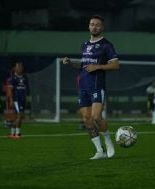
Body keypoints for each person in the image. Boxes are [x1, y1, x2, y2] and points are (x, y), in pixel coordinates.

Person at [63, 15, 120, 160]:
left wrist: (99, 66)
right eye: (92, 24)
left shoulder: (107, 45)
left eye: (97, 25)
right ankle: (99, 151)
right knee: (87, 119)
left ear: (102, 28)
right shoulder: (84, 45)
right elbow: (83, 65)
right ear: (88, 26)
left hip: (96, 86)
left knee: (96, 117)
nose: (94, 27)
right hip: (83, 87)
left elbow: (116, 65)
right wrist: (70, 62)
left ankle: (108, 141)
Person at [7, 61, 29, 139]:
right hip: (17, 99)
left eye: (21, 67)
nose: (20, 68)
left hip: (23, 99)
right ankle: (17, 133)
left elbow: (25, 90)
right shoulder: (13, 78)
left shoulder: (24, 77)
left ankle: (12, 133)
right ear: (15, 68)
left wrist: (26, 100)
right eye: (18, 67)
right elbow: (10, 90)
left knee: (19, 117)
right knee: (20, 116)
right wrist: (11, 100)